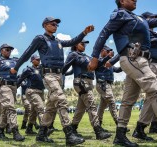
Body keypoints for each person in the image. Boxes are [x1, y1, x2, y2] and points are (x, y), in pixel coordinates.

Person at [10, 16, 94, 146]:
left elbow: (72, 42)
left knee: (50, 107)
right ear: (45, 25)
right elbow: (27, 53)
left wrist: (84, 32)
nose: (55, 26)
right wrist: (16, 68)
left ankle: (42, 134)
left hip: (59, 76)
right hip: (49, 75)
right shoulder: (40, 39)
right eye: (52, 24)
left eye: (56, 25)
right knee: (61, 100)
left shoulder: (58, 41)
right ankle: (69, 134)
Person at [88, 0, 157, 146]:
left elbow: (151, 22)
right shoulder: (120, 14)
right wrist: (95, 56)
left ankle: (120, 135)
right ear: (122, 1)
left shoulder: (137, 18)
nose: (135, 0)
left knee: (127, 100)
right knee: (155, 90)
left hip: (139, 60)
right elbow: (104, 33)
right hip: (134, 58)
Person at [62, 39, 112, 140]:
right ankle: (98, 131)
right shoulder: (73, 54)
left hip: (88, 82)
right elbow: (64, 68)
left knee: (80, 109)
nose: (84, 45)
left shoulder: (87, 56)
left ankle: (73, 128)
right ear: (76, 45)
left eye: (85, 44)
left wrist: (107, 57)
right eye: (82, 43)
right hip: (81, 81)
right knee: (91, 104)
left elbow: (97, 65)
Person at [17, 55, 44, 135]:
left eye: (39, 59)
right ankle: (44, 129)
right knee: (40, 108)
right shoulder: (28, 69)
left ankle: (29, 129)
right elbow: (20, 79)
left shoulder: (41, 69)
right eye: (37, 59)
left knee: (33, 112)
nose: (39, 60)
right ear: (32, 60)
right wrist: (14, 89)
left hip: (40, 91)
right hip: (32, 91)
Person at [95, 45, 121, 128]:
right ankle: (119, 124)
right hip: (102, 84)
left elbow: (116, 70)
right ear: (102, 50)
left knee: (102, 106)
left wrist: (124, 65)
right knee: (112, 102)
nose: (109, 53)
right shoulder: (98, 60)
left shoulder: (108, 62)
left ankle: (98, 124)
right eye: (107, 51)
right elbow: (101, 62)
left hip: (107, 85)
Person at [141, 11, 157, 134]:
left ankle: (153, 125)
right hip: (151, 64)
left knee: (153, 96)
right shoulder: (144, 31)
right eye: (152, 18)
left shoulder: (152, 32)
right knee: (153, 95)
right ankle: (142, 126)